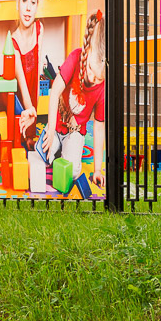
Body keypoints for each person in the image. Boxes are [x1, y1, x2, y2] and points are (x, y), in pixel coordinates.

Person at [39, 10, 106, 191]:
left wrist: (97, 169)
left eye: (99, 78)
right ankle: (56, 148)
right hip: (57, 124)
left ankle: (63, 151)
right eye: (91, 70)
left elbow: (99, 127)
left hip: (75, 132)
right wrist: (51, 131)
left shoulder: (101, 88)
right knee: (42, 155)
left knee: (73, 172)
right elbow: (54, 93)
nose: (93, 79)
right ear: (88, 50)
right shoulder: (76, 57)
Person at [9, 0, 43, 148]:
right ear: (17, 3)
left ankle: (29, 134)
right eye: (24, 1)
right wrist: (30, 110)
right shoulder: (13, 42)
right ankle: (23, 134)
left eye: (33, 2)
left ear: (38, 5)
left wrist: (34, 113)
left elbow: (36, 75)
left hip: (32, 94)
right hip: (20, 97)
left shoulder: (39, 30)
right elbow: (22, 85)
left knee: (31, 142)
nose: (28, 8)